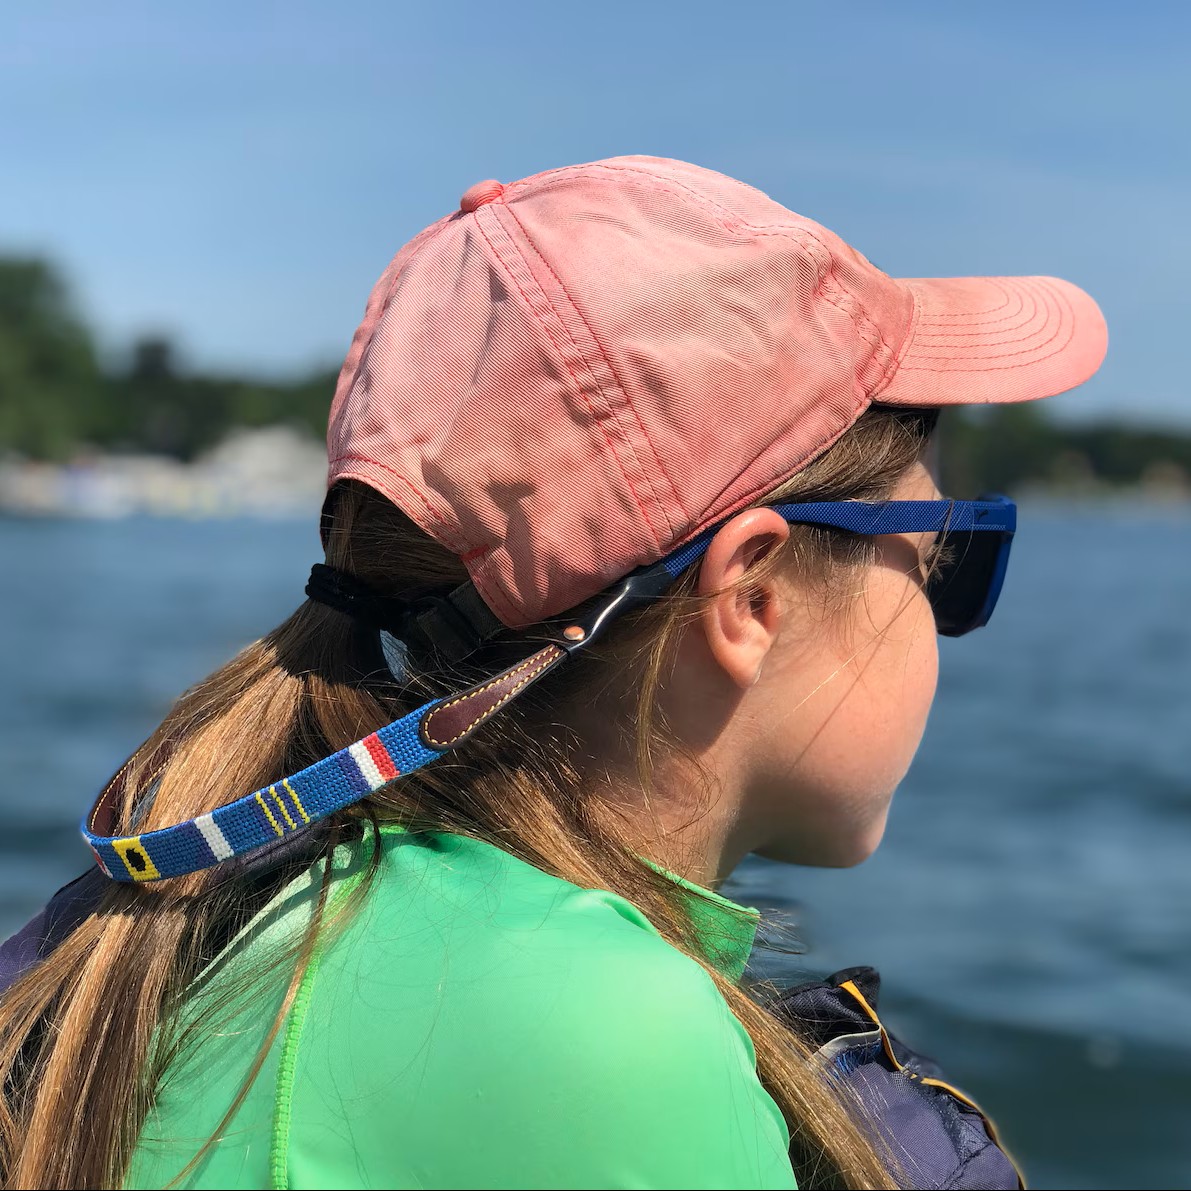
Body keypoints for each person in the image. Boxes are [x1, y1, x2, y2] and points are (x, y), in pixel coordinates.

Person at [0, 156, 1106, 1190]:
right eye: (948, 556)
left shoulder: (261, 903)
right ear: (750, 600)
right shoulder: (600, 1032)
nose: (943, 608)